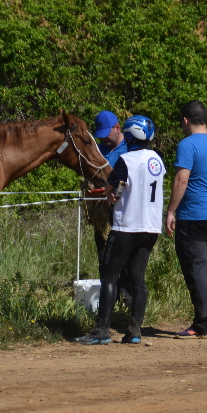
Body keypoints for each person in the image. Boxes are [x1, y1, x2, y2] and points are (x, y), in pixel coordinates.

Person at [75, 115, 165, 345]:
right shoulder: (158, 159)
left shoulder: (126, 160)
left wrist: (109, 192)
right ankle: (134, 330)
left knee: (109, 276)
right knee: (138, 279)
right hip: (151, 226)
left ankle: (101, 331)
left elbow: (111, 186)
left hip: (127, 225)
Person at [165, 100, 207, 339]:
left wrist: (171, 211)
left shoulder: (187, 144)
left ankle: (203, 324)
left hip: (193, 214)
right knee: (202, 265)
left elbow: (181, 180)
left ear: (186, 120)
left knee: (194, 266)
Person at [91, 110, 132, 305]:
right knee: (104, 256)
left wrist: (119, 191)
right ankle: (110, 300)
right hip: (102, 211)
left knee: (124, 256)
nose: (104, 140)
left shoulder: (129, 148)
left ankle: (127, 297)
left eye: (106, 135)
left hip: (123, 210)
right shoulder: (98, 150)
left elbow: (131, 178)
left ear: (117, 128)